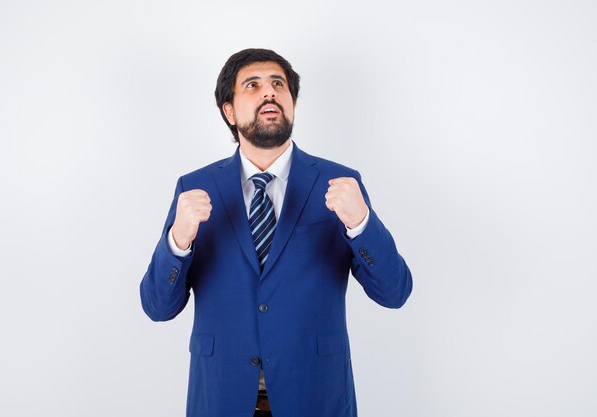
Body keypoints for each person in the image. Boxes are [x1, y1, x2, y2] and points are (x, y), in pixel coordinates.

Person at [140, 48, 413, 417]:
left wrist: (361, 224)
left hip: (315, 397)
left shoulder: (339, 184)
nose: (269, 92)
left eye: (278, 84)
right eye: (252, 85)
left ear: (292, 103)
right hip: (221, 399)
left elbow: (394, 293)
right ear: (230, 111)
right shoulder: (195, 187)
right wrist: (178, 241)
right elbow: (158, 307)